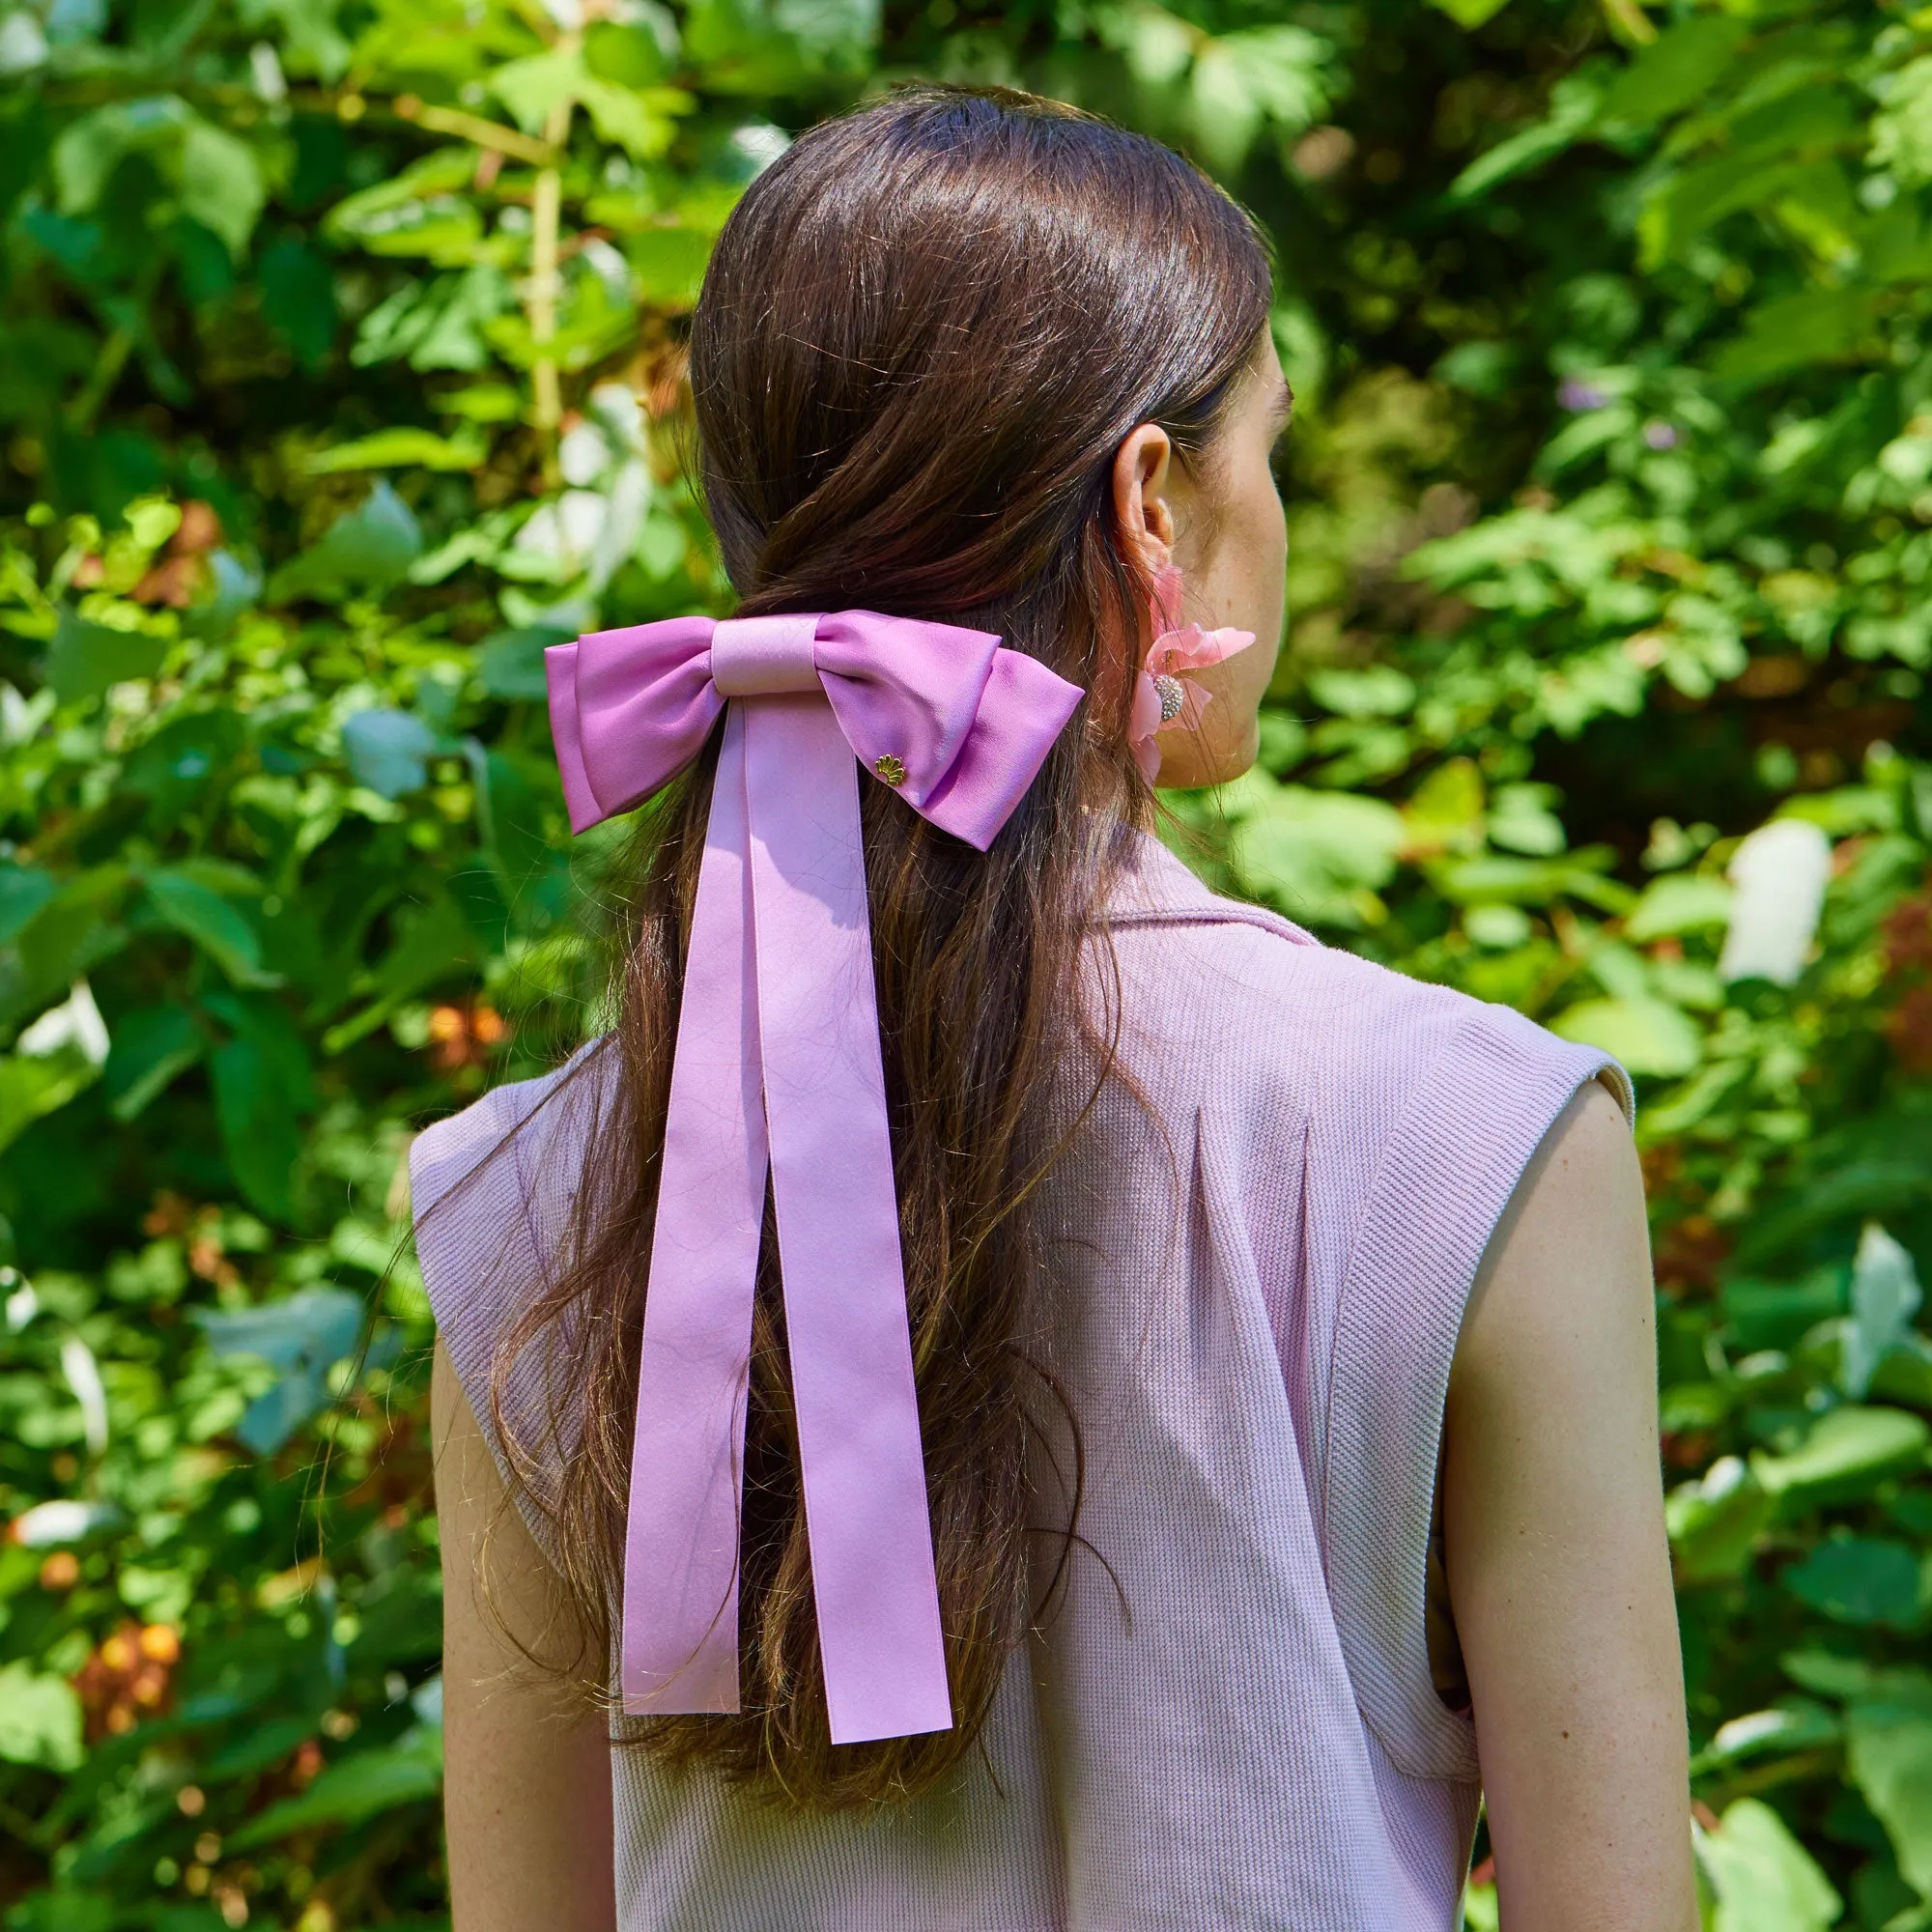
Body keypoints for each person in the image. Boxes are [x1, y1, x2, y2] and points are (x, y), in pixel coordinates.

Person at [414, 83, 1695, 1932]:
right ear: (1154, 506)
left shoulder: (525, 1198)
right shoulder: (1477, 1141)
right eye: (1273, 451)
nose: (1287, 518)